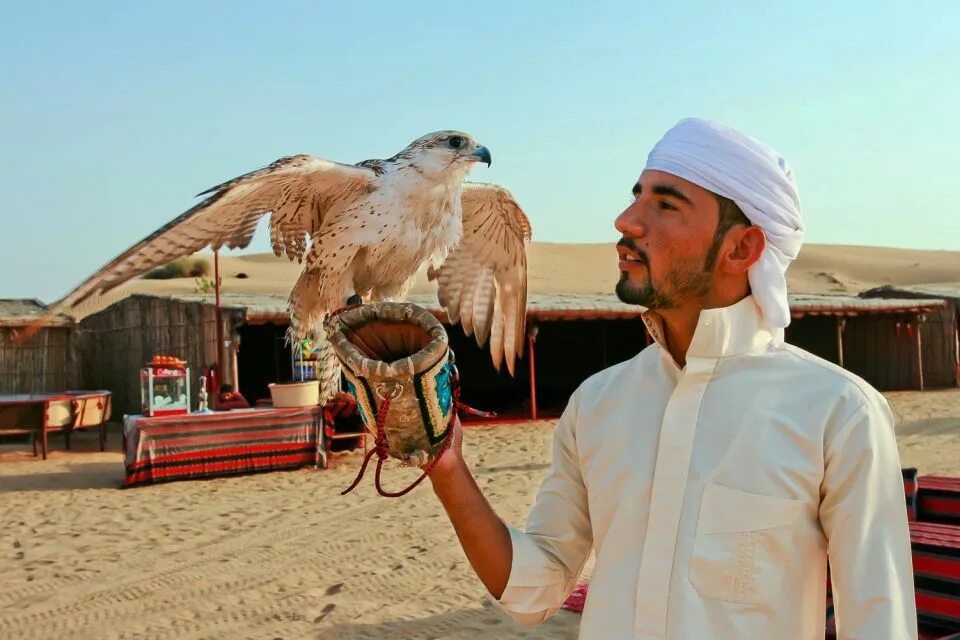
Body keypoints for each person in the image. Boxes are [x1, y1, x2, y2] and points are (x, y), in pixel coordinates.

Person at [427, 118, 918, 639]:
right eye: (636, 197)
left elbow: (879, 624)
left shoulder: (838, 411)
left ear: (742, 249)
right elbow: (535, 591)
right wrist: (446, 465)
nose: (626, 221)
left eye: (665, 205)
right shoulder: (597, 403)